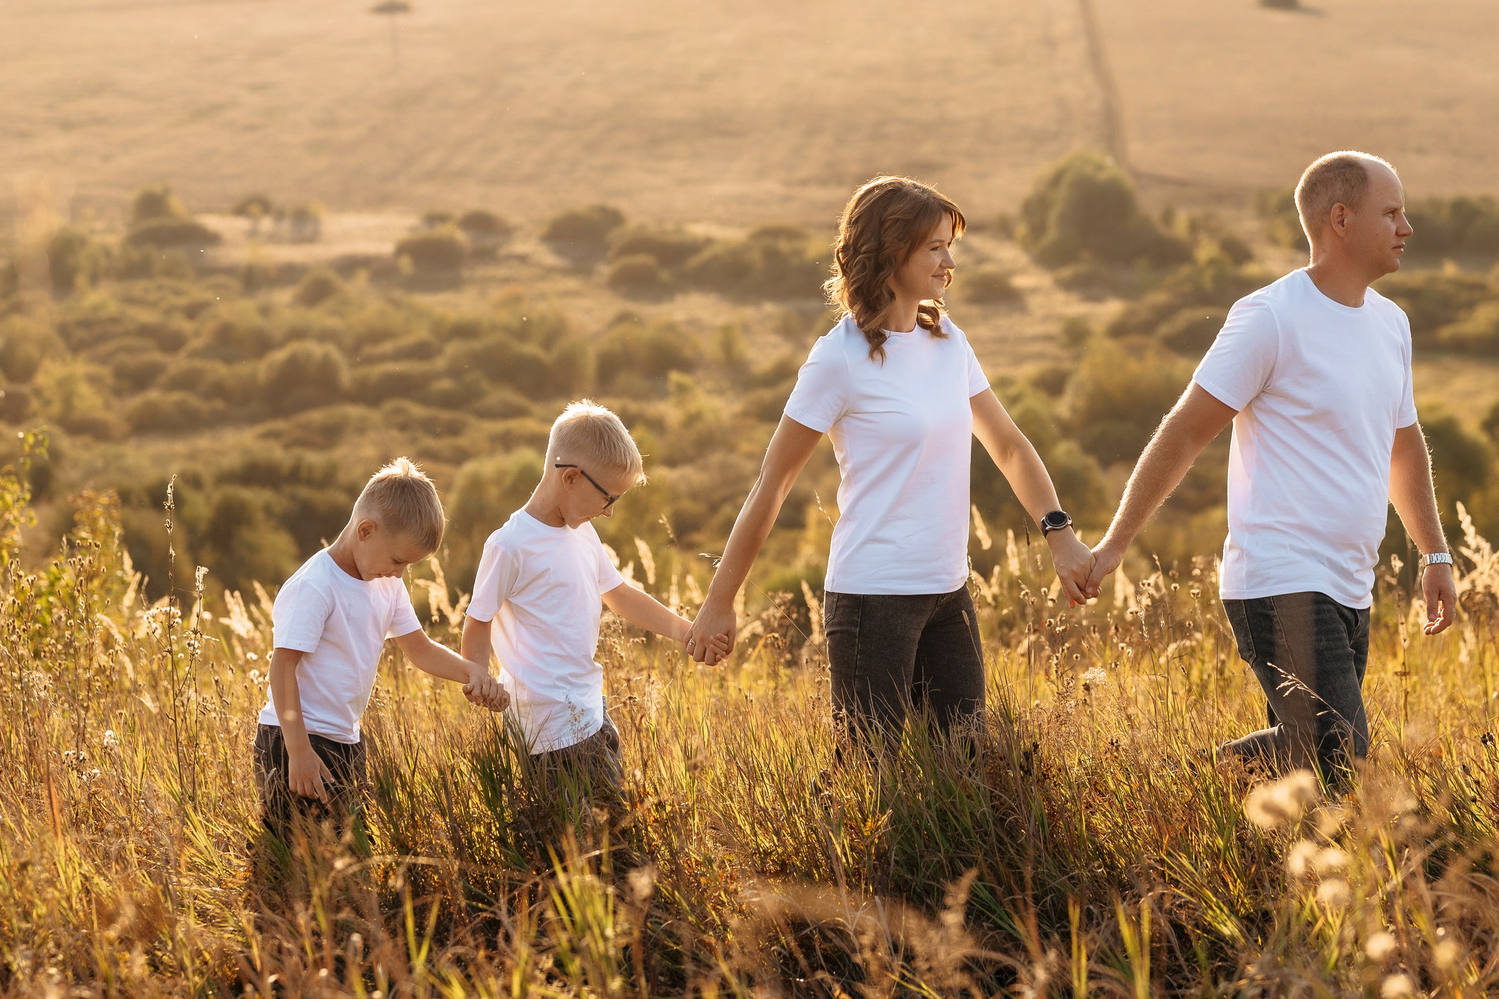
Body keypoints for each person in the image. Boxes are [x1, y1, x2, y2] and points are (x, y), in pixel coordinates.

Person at [1085, 151, 1457, 781]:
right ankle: (1184, 782)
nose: (1407, 227)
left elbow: (1404, 448)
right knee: (1339, 753)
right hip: (1279, 575)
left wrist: (1435, 553)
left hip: (1351, 581)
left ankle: (1264, 849)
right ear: (1340, 218)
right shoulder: (1269, 318)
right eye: (1391, 212)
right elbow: (1184, 432)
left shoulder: (1392, 325)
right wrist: (1117, 542)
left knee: (1314, 773)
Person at [689, 175, 1094, 735]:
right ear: (890, 252)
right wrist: (720, 601)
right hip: (871, 602)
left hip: (948, 594)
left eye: (949, 246)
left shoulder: (947, 339)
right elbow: (773, 484)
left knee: (964, 769)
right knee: (869, 780)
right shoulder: (838, 360)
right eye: (935, 247)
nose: (949, 262)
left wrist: (1059, 532)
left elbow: (1008, 445)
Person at [461, 400, 694, 832]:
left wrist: (686, 631)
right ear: (569, 477)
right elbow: (478, 620)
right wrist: (478, 676)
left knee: (609, 836)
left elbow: (620, 595)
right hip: (549, 730)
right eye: (607, 498)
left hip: (590, 710)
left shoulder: (582, 531)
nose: (609, 511)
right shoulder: (510, 545)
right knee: (597, 846)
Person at [257, 458, 507, 841]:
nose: (400, 572)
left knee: (349, 852)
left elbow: (420, 649)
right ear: (366, 531)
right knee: (296, 856)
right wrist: (300, 751)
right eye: (397, 560)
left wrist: (471, 672)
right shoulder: (315, 585)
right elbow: (282, 667)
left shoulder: (387, 585)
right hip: (295, 739)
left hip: (346, 740)